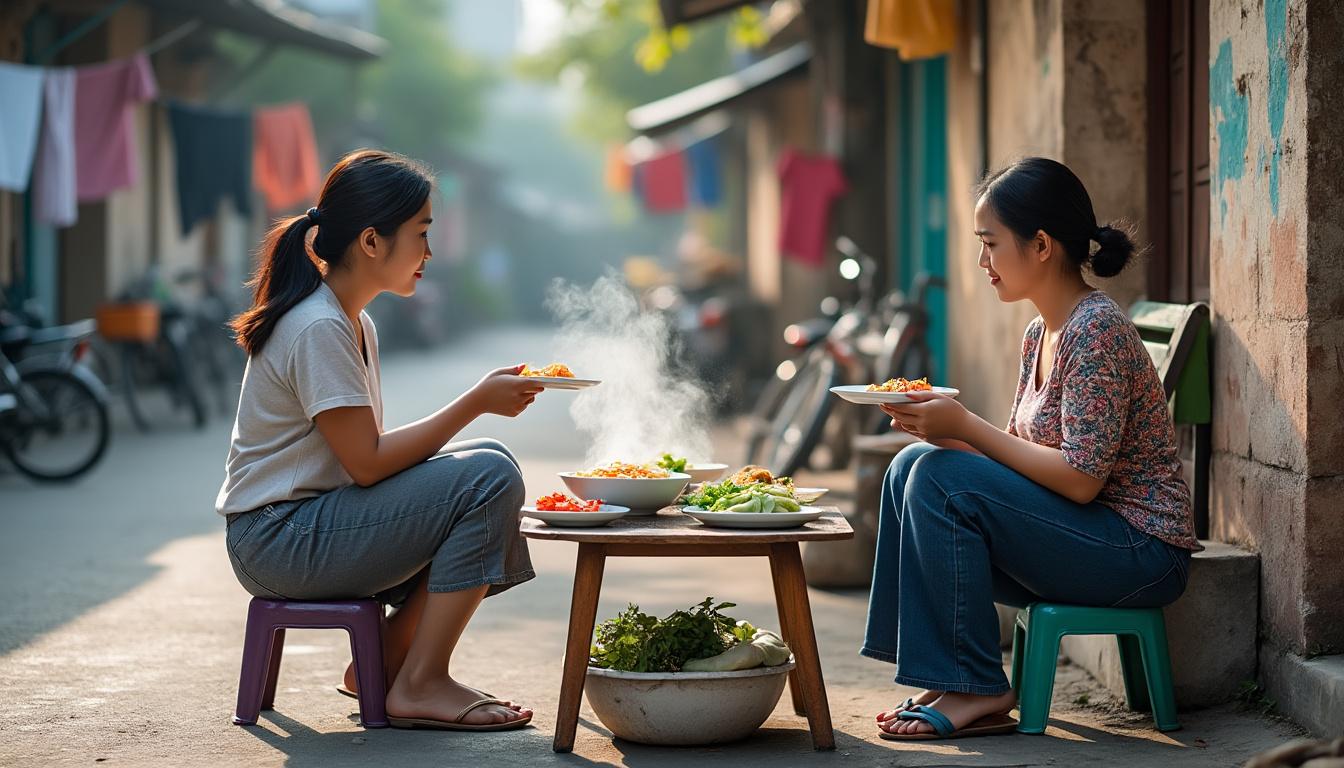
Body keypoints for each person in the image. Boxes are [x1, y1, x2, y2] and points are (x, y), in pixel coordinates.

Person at [864, 157, 1200, 740]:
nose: (982, 262)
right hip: (1085, 529)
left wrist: (966, 428)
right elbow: (1020, 456)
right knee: (911, 466)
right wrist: (937, 432)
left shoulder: (1094, 330)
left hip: (1139, 548)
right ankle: (949, 673)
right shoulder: (1039, 331)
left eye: (991, 244)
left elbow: (1080, 479)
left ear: (1041, 244)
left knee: (939, 477)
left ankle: (979, 687)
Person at [216, 149, 544, 732]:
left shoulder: (348, 319)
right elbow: (367, 465)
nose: (430, 253)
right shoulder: (318, 326)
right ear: (372, 241)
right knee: (488, 478)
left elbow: (362, 457)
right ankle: (419, 683)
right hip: (279, 539)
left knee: (489, 464)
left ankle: (388, 659)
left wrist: (472, 430)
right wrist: (474, 403)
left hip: (306, 526)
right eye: (421, 234)